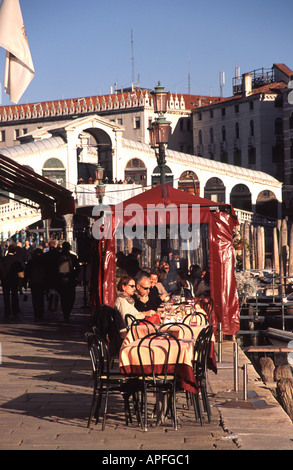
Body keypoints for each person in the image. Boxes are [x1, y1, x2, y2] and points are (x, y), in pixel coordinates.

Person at [56, 241, 81, 322]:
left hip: (60, 279)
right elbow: (78, 268)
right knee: (71, 297)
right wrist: (74, 275)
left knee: (63, 297)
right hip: (70, 279)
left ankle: (65, 313)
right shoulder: (73, 256)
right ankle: (68, 312)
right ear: (69, 247)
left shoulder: (58, 256)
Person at [0, 245, 24, 320]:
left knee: (6, 297)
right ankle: (15, 310)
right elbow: (21, 269)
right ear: (15, 251)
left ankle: (7, 312)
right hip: (14, 280)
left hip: (5, 280)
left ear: (8, 250)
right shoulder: (17, 260)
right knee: (14, 295)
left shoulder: (3, 259)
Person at [25, 248, 46, 321]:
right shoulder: (43, 262)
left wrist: (25, 282)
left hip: (33, 282)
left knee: (35, 298)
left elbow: (27, 273)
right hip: (42, 282)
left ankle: (36, 313)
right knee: (41, 298)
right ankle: (41, 314)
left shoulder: (31, 262)